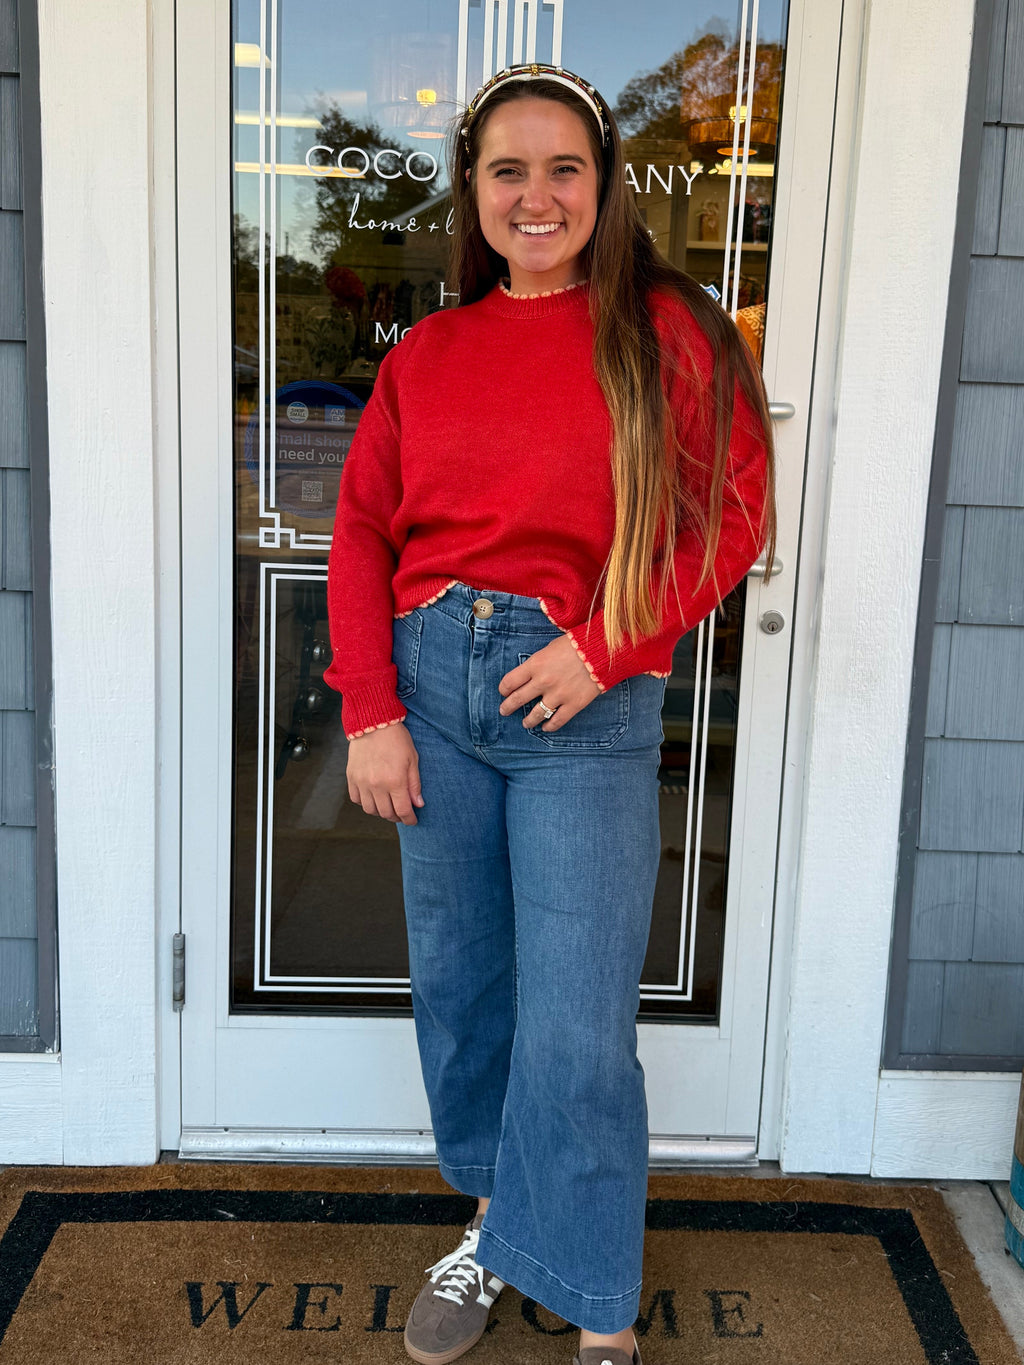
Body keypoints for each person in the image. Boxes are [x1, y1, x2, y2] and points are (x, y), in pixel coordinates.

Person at [324, 62, 775, 1365]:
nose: (537, 195)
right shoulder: (431, 352)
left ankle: (598, 1306)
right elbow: (363, 532)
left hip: (582, 695)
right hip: (430, 691)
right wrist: (370, 711)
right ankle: (493, 1220)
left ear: (604, 185)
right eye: (508, 170)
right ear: (474, 191)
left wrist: (609, 646)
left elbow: (731, 511)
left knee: (577, 1026)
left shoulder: (669, 331)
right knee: (465, 991)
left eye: (563, 168)